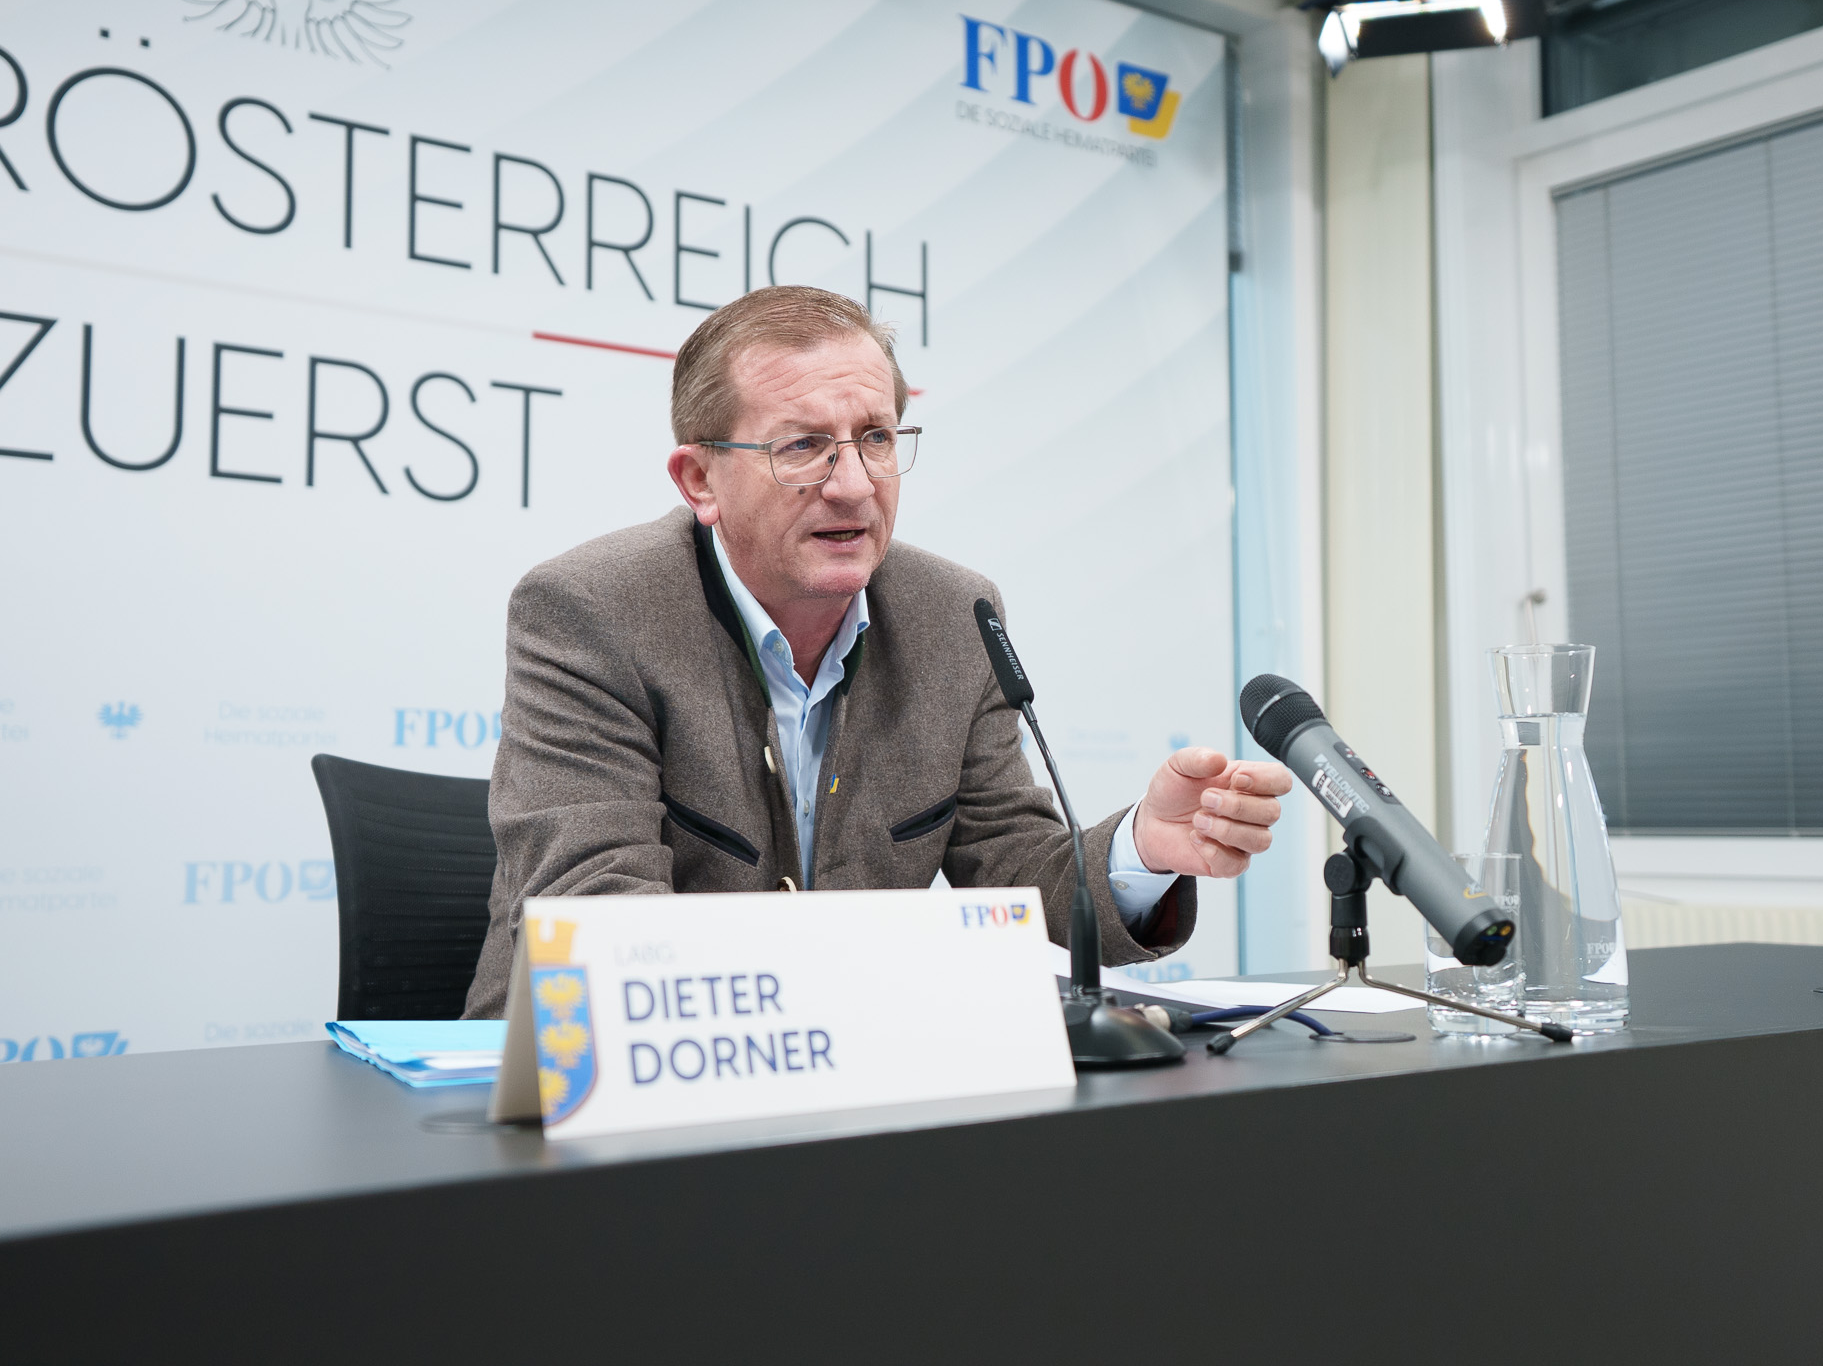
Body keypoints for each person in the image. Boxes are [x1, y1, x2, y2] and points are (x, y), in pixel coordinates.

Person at [463, 286, 1291, 1018]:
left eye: (877, 438)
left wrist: (1143, 848)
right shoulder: (591, 610)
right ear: (700, 481)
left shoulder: (952, 617)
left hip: (852, 1081)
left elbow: (1012, 867)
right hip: (580, 1086)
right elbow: (596, 913)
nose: (854, 484)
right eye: (802, 446)